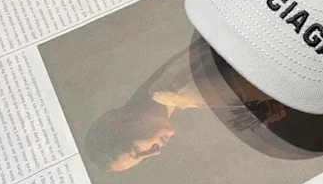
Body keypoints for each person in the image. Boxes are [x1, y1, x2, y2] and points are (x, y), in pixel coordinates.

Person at [84, 38, 287, 172]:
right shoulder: (162, 90)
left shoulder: (178, 92)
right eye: (142, 159)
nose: (155, 152)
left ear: (127, 120)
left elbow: (274, 79)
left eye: (137, 151)